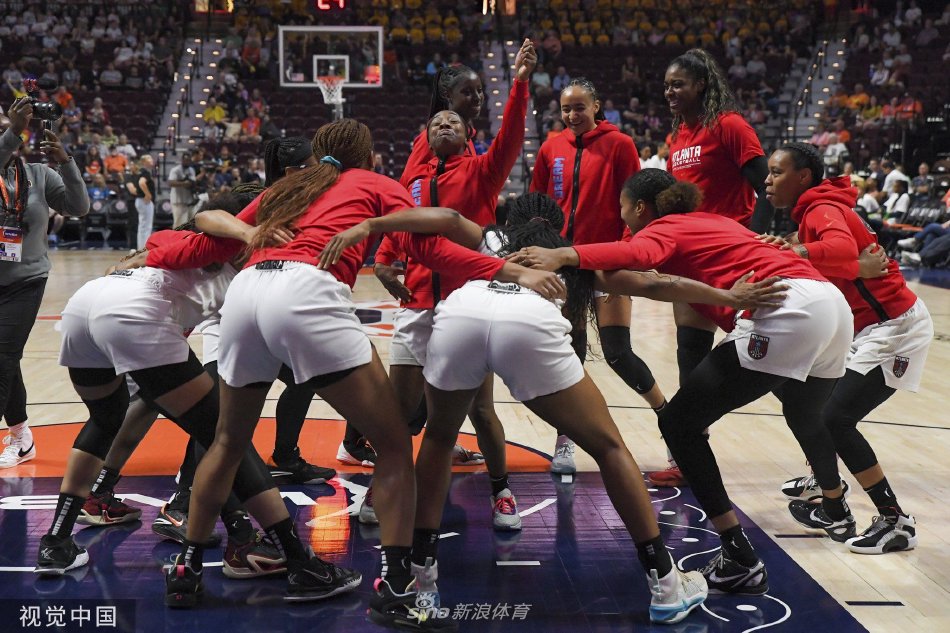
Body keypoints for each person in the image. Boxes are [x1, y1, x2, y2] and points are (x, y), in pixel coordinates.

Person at [148, 119, 556, 624]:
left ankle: (186, 569)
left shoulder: (289, 186)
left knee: (228, 442)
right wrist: (509, 265)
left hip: (247, 292)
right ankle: (397, 586)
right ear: (366, 156)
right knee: (391, 444)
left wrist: (232, 236)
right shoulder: (375, 184)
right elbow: (438, 236)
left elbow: (207, 218)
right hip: (305, 292)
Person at [401, 192, 789, 625]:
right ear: (558, 228)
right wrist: (728, 297)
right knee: (609, 449)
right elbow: (658, 284)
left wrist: (374, 225)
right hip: (528, 323)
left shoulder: (489, 239)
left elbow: (444, 218)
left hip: (462, 314)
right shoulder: (570, 256)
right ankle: (665, 585)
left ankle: (421, 583)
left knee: (437, 438)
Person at [519, 168, 855, 595]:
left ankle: (739, 554)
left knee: (678, 424)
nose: (623, 220)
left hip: (784, 306)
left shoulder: (663, 229)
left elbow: (638, 259)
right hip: (831, 304)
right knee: (807, 416)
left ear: (641, 208)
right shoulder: (717, 221)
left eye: (624, 210)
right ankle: (837, 505)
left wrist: (566, 255)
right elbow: (647, 279)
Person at [36, 184, 366, 608]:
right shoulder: (253, 259)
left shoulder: (186, 235)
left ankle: (56, 542)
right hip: (136, 310)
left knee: (107, 418)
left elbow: (208, 219)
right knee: (227, 439)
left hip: (88, 301)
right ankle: (298, 561)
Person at [372, 40, 535, 532]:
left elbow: (508, 136)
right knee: (399, 412)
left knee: (482, 411)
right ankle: (387, 487)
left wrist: (521, 84)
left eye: (454, 122)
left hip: (467, 305)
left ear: (468, 138)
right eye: (436, 121)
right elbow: (400, 216)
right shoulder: (416, 173)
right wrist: (383, 258)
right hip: (417, 302)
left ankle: (501, 490)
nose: (444, 124)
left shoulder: (484, 172)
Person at [762, 143, 931, 553]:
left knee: (834, 417)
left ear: (803, 176)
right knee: (805, 398)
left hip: (895, 329)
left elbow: (837, 250)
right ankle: (827, 486)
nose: (767, 180)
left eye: (776, 172)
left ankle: (895, 521)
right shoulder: (813, 212)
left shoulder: (822, 209)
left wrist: (799, 250)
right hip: (866, 328)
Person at [654, 48, 776, 486]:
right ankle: (688, 451)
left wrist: (756, 239)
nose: (670, 91)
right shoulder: (678, 136)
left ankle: (818, 455)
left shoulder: (729, 125)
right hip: (692, 254)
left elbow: (766, 184)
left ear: (701, 84)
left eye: (678, 84)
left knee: (767, 355)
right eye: (667, 85)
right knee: (690, 350)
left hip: (732, 254)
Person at [531, 77, 662, 475]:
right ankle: (566, 441)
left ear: (596, 105)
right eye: (566, 109)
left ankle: (670, 422)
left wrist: (626, 251)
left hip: (607, 262)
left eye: (580, 107)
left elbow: (636, 203)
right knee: (570, 355)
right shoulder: (550, 146)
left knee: (618, 352)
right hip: (566, 264)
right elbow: (538, 204)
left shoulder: (620, 144)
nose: (572, 115)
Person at [0, 98, 89, 469]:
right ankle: (22, 437)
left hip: (25, 281)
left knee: (3, 357)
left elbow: (78, 206)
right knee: (8, 361)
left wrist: (66, 162)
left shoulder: (36, 174)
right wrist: (13, 130)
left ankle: (19, 437)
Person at [127, 154, 154, 250]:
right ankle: (144, 249)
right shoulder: (145, 172)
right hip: (144, 200)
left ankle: (141, 248)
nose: (152, 160)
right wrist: (148, 194)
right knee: (146, 226)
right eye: (149, 158)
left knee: (142, 226)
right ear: (143, 162)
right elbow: (141, 183)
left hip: (139, 200)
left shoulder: (139, 172)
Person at [166, 151, 197, 227]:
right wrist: (183, 183)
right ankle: (176, 239)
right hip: (177, 200)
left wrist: (190, 184)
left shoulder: (191, 170)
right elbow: (170, 183)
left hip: (188, 200)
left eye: (188, 160)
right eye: (185, 160)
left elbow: (193, 182)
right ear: (182, 160)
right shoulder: (175, 170)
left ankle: (186, 238)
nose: (187, 162)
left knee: (187, 223)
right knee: (178, 223)